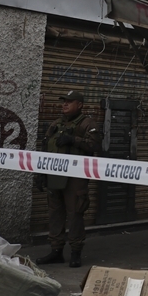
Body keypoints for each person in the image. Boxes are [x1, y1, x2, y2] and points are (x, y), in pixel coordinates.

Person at [35, 90, 99, 268]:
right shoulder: (56, 124)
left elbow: (95, 145)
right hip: (55, 176)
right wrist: (41, 173)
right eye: (64, 102)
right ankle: (56, 251)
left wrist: (73, 140)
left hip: (75, 178)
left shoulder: (87, 124)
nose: (65, 105)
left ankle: (76, 252)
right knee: (55, 215)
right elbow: (45, 148)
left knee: (75, 215)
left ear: (79, 105)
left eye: (69, 102)